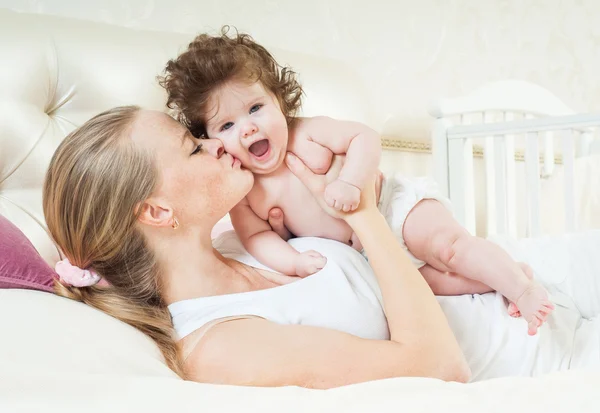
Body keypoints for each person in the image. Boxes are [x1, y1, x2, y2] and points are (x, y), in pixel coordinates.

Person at [158, 29, 553, 334]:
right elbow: (256, 237)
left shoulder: (306, 133)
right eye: (227, 125)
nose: (247, 129)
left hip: (394, 209)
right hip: (367, 253)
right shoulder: (244, 190)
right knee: (430, 284)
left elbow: (365, 137)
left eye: (256, 108)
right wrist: (292, 261)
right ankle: (499, 276)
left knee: (447, 248)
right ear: (209, 138)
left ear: (280, 100)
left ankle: (522, 289)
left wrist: (351, 181)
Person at [42, 106, 470, 388]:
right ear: (155, 212)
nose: (217, 144)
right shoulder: (222, 345)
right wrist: (363, 214)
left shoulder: (243, 241)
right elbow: (441, 370)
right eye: (193, 148)